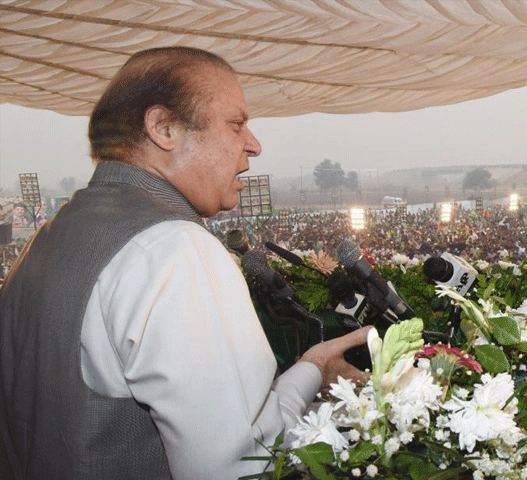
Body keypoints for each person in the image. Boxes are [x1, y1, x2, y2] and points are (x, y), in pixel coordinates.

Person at [0, 47, 370, 480]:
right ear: (164, 128)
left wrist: (312, 370)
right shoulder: (172, 248)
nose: (253, 145)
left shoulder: (46, 238)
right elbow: (243, 464)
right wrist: (315, 377)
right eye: (236, 124)